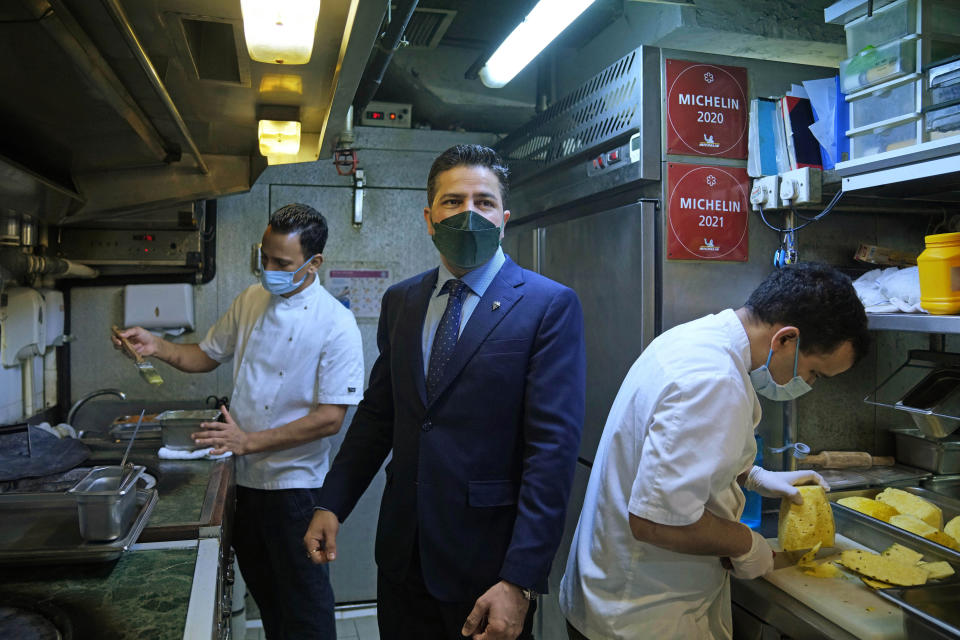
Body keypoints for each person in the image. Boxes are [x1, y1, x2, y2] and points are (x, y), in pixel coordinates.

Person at [304, 144, 587, 640]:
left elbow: (551, 453)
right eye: (453, 202)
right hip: (402, 555)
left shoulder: (547, 306)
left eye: (483, 201)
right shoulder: (402, 301)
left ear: (504, 217)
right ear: (430, 218)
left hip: (487, 568)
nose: (469, 213)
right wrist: (332, 502)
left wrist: (520, 579)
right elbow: (378, 416)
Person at [559, 262, 870, 640]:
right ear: (786, 339)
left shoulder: (698, 339)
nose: (808, 384)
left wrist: (753, 475)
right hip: (642, 615)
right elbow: (655, 520)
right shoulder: (712, 380)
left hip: (615, 593)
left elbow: (677, 453)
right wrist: (746, 543)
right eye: (815, 373)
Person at [113, 204, 364, 639]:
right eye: (263, 257)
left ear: (314, 263)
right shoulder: (251, 299)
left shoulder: (336, 324)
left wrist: (248, 441)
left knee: (305, 611)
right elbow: (204, 355)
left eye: (281, 263)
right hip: (244, 486)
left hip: (296, 492)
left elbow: (329, 419)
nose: (268, 269)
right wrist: (157, 345)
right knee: (268, 602)